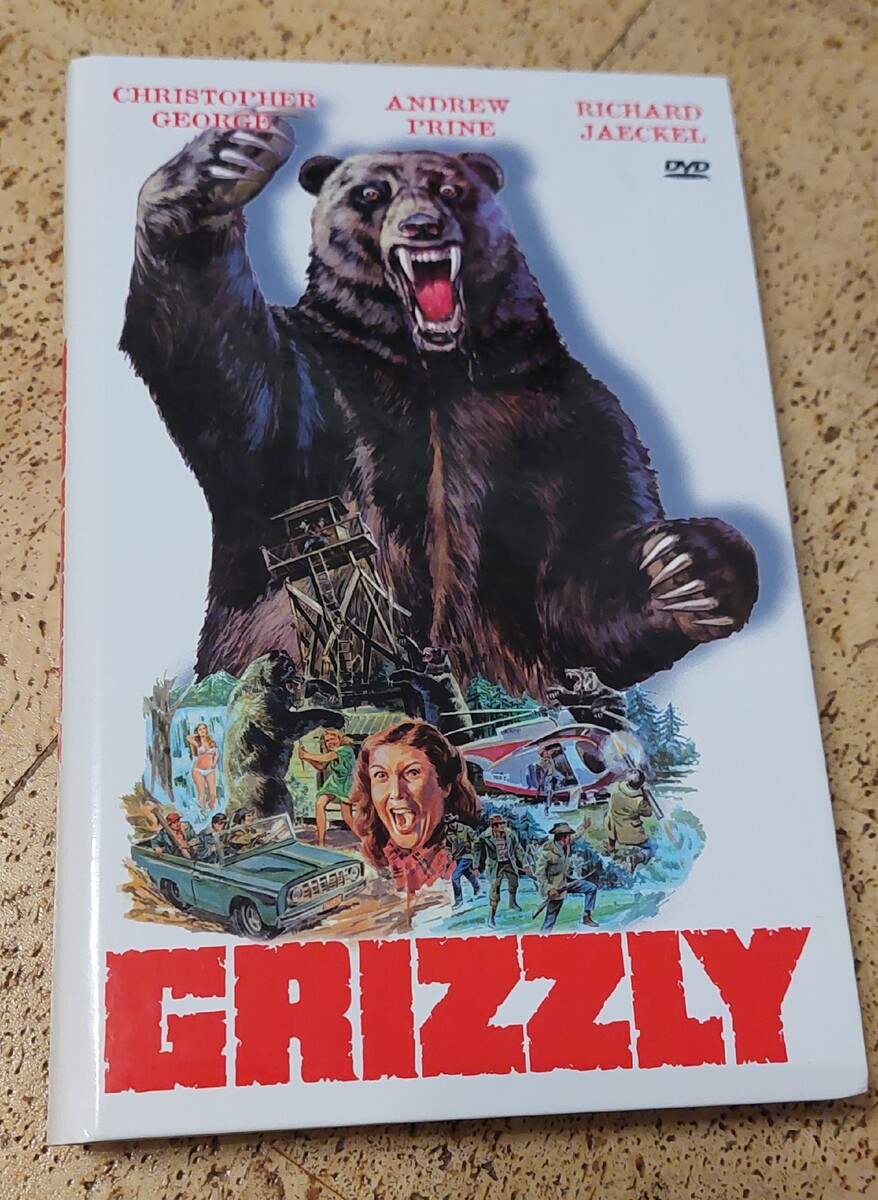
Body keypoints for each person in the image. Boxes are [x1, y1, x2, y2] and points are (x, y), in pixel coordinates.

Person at [349, 720, 480, 894]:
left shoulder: (469, 857)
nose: (396, 792)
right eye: (381, 775)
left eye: (413, 773)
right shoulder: (373, 867)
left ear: (445, 785)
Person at [535, 821, 600, 931]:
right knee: (550, 919)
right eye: (569, 836)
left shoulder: (566, 844)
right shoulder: (546, 853)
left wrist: (583, 826)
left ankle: (586, 917)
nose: (571, 838)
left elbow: (576, 836)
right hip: (555, 888)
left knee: (591, 888)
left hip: (566, 881)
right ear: (563, 838)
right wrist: (549, 889)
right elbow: (539, 874)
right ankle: (543, 936)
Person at [297, 729, 356, 846]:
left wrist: (306, 754)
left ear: (340, 739)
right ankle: (321, 842)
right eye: (327, 741)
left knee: (347, 818)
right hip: (334, 782)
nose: (330, 743)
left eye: (332, 739)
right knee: (320, 803)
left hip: (346, 783)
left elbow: (326, 758)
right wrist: (306, 758)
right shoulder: (331, 753)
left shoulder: (345, 749)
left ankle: (367, 839)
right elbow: (320, 767)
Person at [476, 813, 531, 927]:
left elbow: (518, 849)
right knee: (495, 889)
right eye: (500, 824)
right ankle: (491, 916)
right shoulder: (485, 836)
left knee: (514, 882)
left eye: (503, 824)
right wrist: (475, 865)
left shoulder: (509, 834)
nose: (503, 826)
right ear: (494, 826)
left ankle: (512, 903)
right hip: (495, 865)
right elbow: (476, 849)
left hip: (509, 862)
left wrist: (525, 863)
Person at [605, 769, 655, 872]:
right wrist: (645, 793)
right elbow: (649, 812)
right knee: (652, 848)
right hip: (630, 833)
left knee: (611, 819)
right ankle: (636, 858)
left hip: (612, 828)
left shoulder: (616, 787)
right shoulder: (638, 800)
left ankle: (612, 848)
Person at [444, 813, 481, 910]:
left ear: (456, 821)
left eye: (453, 822)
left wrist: (470, 844)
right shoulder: (449, 833)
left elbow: (476, 841)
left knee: (455, 876)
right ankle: (477, 887)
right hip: (458, 856)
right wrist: (449, 854)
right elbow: (448, 846)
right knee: (467, 873)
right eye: (449, 823)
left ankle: (458, 900)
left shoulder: (466, 829)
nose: (452, 825)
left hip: (468, 855)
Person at [185, 722, 219, 814]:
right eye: (200, 729)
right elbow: (188, 738)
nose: (202, 730)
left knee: (213, 794)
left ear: (207, 730)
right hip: (198, 770)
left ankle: (212, 811)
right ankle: (203, 812)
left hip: (210, 770)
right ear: (197, 731)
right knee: (202, 793)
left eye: (204, 728)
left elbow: (216, 754)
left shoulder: (212, 742)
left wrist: (214, 762)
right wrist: (197, 734)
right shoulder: (197, 743)